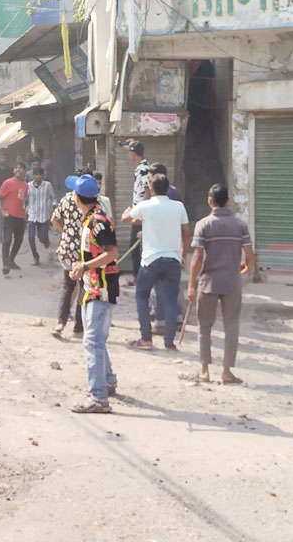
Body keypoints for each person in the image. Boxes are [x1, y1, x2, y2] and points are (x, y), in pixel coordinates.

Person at [187, 184, 255, 385]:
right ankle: (226, 372)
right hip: (231, 284)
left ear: (210, 202)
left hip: (208, 283)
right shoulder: (240, 225)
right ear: (228, 201)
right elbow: (249, 254)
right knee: (231, 327)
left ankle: (204, 370)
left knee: (204, 326)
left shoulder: (203, 225)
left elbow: (197, 257)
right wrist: (247, 268)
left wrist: (191, 284)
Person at [66, 174, 120, 414]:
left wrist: (85, 266)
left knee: (92, 341)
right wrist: (81, 267)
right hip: (93, 286)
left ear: (78, 198)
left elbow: (112, 253)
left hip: (102, 288)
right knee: (96, 338)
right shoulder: (91, 219)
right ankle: (107, 381)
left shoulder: (97, 221)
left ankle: (99, 398)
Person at [122, 174, 190, 351]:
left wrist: (127, 212)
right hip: (172, 260)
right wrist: (183, 255)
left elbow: (126, 219)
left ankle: (146, 338)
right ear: (167, 189)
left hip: (150, 261)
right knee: (170, 299)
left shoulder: (145, 206)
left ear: (151, 189)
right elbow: (186, 234)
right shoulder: (179, 207)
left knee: (141, 296)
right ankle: (169, 343)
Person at [50, 168, 90, 338]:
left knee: (68, 286)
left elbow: (54, 219)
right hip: (85, 251)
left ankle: (61, 323)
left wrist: (66, 231)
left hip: (67, 249)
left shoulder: (67, 198)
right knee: (83, 288)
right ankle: (78, 328)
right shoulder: (92, 201)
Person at [124, 140, 152, 274]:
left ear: (133, 153)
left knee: (135, 246)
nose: (128, 155)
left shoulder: (144, 169)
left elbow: (147, 191)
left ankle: (138, 276)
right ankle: (139, 275)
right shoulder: (140, 168)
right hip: (138, 211)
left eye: (129, 152)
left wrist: (142, 211)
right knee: (135, 246)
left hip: (141, 214)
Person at [0, 162, 29, 276]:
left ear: (24, 171)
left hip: (20, 217)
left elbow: (23, 200)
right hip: (9, 216)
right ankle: (5, 264)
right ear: (13, 170)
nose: (18, 170)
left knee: (19, 240)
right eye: (16, 167)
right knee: (7, 240)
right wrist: (2, 211)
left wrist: (26, 215)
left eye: (20, 168)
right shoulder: (7, 183)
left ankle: (11, 260)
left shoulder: (26, 186)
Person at [25, 167, 56, 266]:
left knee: (42, 238)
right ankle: (35, 256)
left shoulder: (47, 185)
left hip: (44, 216)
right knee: (30, 237)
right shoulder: (28, 186)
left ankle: (45, 240)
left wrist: (53, 209)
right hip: (32, 215)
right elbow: (25, 200)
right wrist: (23, 211)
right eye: (36, 174)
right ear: (33, 175)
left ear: (43, 175)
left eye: (40, 174)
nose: (38, 176)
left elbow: (54, 198)